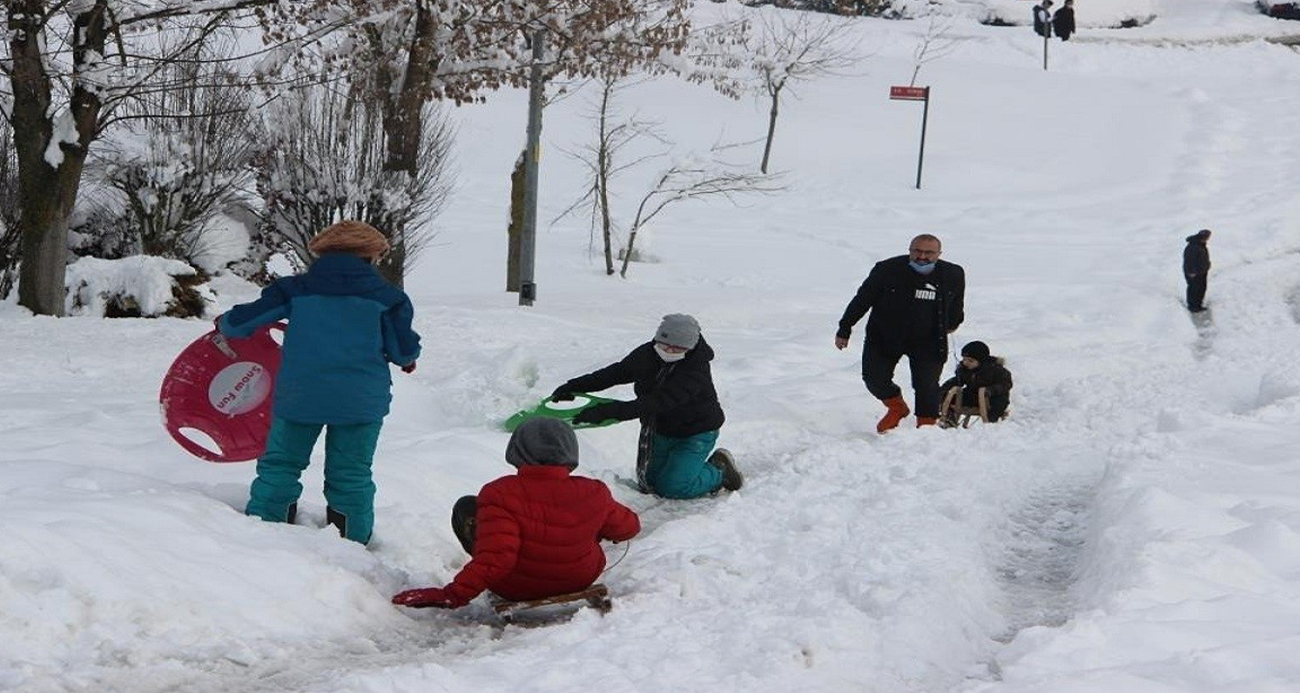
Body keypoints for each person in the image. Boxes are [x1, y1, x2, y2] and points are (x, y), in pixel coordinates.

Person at [216, 220, 420, 544]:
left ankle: (266, 533)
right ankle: (352, 542)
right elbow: (402, 350)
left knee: (281, 465)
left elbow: (238, 324)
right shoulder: (389, 298)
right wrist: (408, 359)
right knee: (351, 473)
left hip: (300, 397)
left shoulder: (295, 290)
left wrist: (225, 323)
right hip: (360, 402)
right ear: (370, 257)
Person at [390, 417, 640, 609]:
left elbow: (496, 558)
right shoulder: (593, 491)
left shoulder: (499, 493)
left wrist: (451, 595)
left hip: (517, 587)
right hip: (580, 578)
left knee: (468, 507)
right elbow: (628, 528)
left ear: (517, 450)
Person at [550, 314, 743, 499]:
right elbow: (616, 373)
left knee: (674, 488)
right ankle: (688, 470)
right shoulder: (648, 353)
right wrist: (573, 386)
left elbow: (656, 403)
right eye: (664, 345)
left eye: (677, 349)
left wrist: (608, 412)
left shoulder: (695, 370)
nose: (668, 351)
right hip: (660, 430)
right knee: (651, 483)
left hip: (695, 433)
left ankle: (719, 470)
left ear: (689, 348)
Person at [835, 234, 965, 432]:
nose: (922, 256)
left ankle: (926, 427)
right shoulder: (886, 270)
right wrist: (845, 327)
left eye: (928, 253)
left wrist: (953, 323)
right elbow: (862, 300)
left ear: (939, 254)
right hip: (885, 337)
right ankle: (896, 408)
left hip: (928, 339)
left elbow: (956, 304)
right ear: (910, 250)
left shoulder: (953, 274)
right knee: (874, 379)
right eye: (917, 251)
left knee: (926, 386)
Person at [939, 341, 1013, 425]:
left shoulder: (994, 370)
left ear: (981, 361)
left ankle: (991, 423)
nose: (965, 363)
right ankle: (950, 419)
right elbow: (957, 381)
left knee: (999, 402)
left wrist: (990, 390)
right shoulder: (965, 370)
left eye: (970, 361)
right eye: (964, 359)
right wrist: (943, 389)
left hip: (991, 398)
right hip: (973, 396)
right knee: (948, 395)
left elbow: (1006, 383)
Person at [1183, 228, 1212, 313]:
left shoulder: (1201, 244)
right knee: (1194, 289)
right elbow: (1189, 260)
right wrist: (1191, 272)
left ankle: (1198, 305)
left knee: (1201, 288)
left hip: (1201, 272)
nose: (1209, 238)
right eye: (1208, 236)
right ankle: (1193, 307)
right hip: (1194, 273)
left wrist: (1207, 265)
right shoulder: (1193, 246)